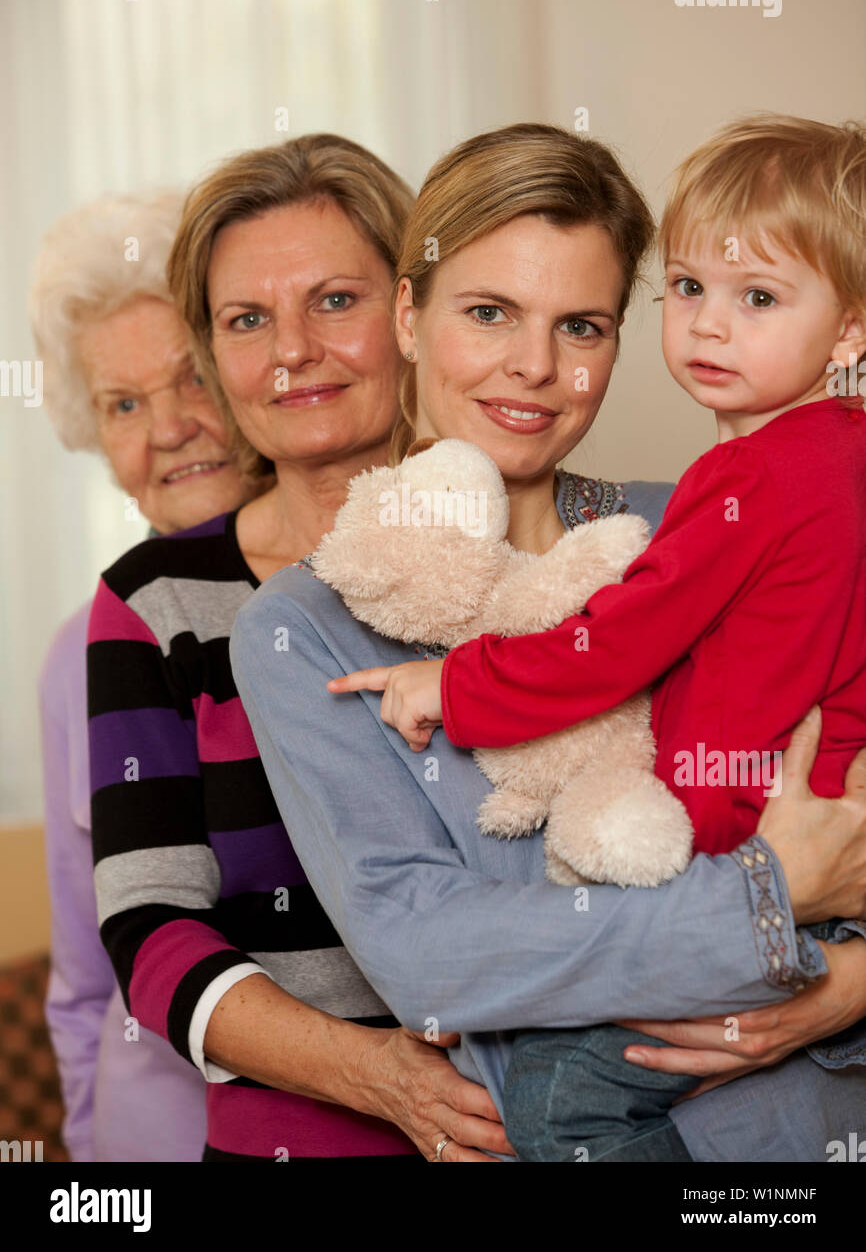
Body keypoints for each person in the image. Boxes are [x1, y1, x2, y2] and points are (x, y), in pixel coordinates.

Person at [230, 122, 866, 1164]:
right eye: (488, 313)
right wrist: (768, 896)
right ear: (407, 311)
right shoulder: (306, 631)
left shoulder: (700, 523)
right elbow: (433, 955)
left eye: (580, 326)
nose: (533, 366)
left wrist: (847, 983)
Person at [86, 134, 514, 1162]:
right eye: (246, 320)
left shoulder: (536, 544)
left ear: (410, 311)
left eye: (333, 300)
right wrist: (379, 1077)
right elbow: (148, 930)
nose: (290, 351)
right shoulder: (154, 602)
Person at [32, 190, 259, 1162]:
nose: (167, 429)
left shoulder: (364, 593)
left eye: (191, 377)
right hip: (153, 1139)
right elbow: (84, 977)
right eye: (124, 404)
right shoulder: (72, 655)